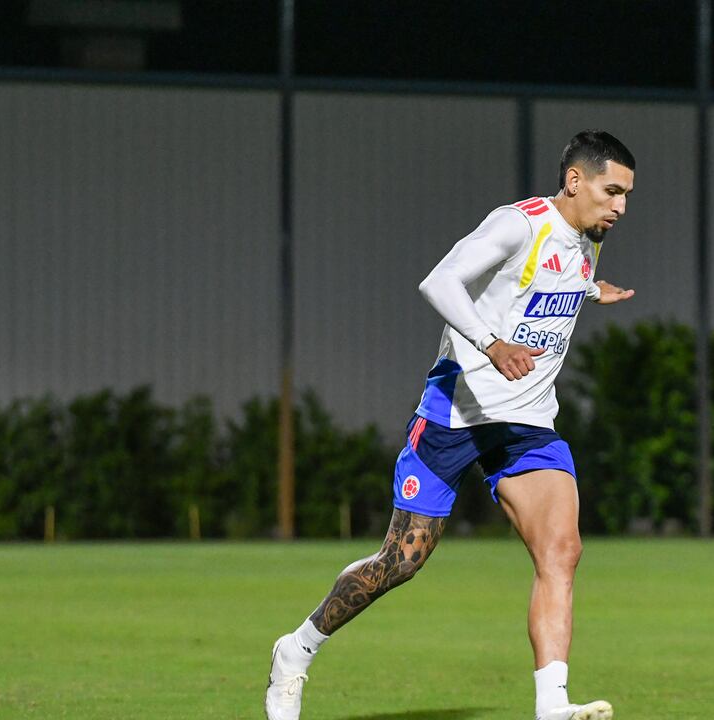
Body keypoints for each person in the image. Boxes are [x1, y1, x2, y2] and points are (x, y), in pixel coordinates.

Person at [265, 130, 636, 720]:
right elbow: (439, 281)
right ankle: (296, 650)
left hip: (527, 425)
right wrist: (491, 344)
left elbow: (539, 283)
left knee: (562, 551)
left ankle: (552, 705)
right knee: (401, 561)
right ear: (574, 182)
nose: (620, 207)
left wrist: (589, 290)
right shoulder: (518, 224)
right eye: (611, 192)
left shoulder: (589, 241)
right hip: (455, 414)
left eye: (626, 197)